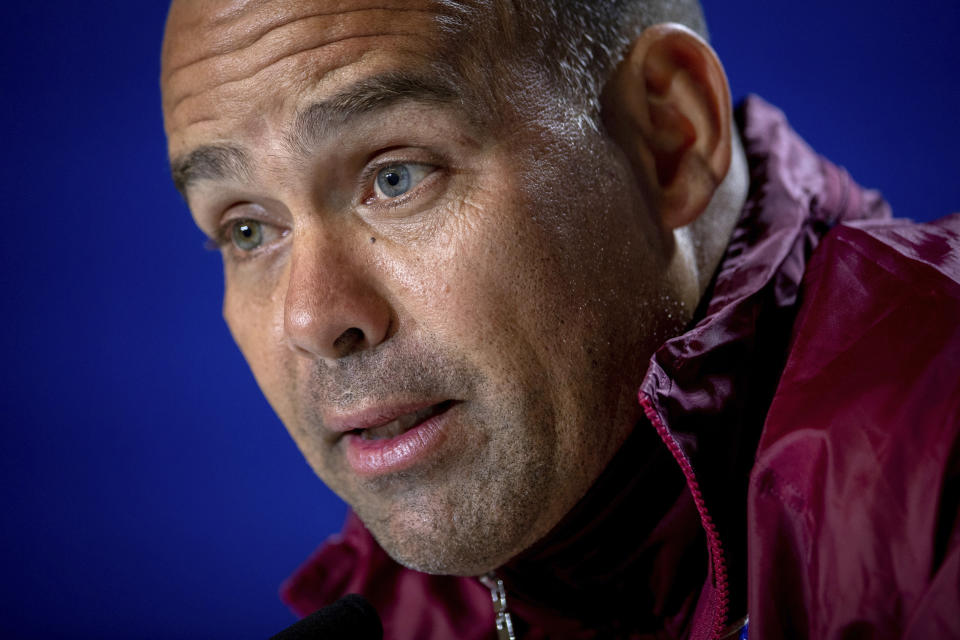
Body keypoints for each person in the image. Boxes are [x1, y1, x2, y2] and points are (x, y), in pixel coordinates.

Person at [160, 0, 960, 637]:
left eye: (396, 177)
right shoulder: (396, 615)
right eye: (247, 229)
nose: (312, 317)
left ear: (668, 139)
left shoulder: (937, 451)